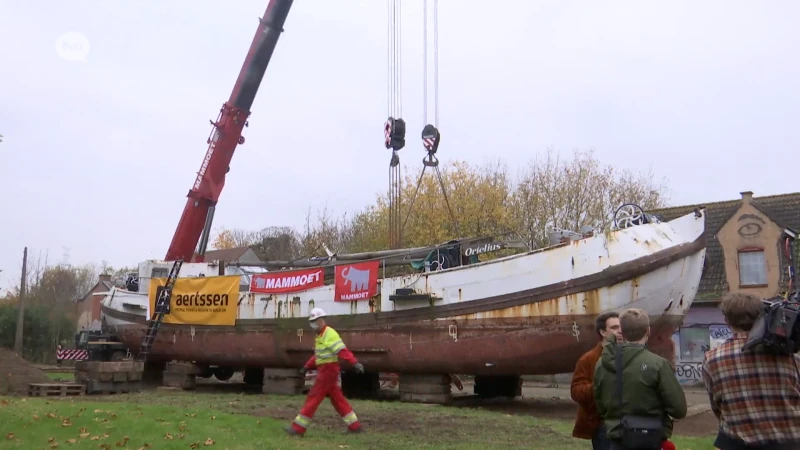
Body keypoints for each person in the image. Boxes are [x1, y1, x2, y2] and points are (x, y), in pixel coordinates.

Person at [702, 293, 800, 450]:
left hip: (740, 444)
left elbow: (717, 406)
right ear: (761, 316)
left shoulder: (712, 359)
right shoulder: (790, 355)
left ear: (727, 320)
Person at [593, 308, 687, 450]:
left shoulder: (602, 363)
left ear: (621, 333)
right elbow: (679, 409)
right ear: (648, 331)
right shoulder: (658, 364)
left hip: (617, 439)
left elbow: (600, 403)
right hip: (650, 438)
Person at [285, 307, 366, 436]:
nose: (313, 324)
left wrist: (354, 362)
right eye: (312, 321)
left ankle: (298, 429)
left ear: (322, 320)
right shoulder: (321, 335)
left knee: (314, 397)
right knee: (338, 400)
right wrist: (307, 366)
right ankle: (355, 426)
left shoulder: (329, 333)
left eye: (315, 321)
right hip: (327, 370)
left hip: (328, 371)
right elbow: (318, 355)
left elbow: (341, 350)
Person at [571, 311, 622, 450]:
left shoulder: (629, 356)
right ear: (602, 332)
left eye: (621, 327)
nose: (620, 331)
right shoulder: (588, 360)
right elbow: (576, 392)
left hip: (628, 425)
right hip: (602, 426)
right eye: (614, 327)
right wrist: (599, 387)